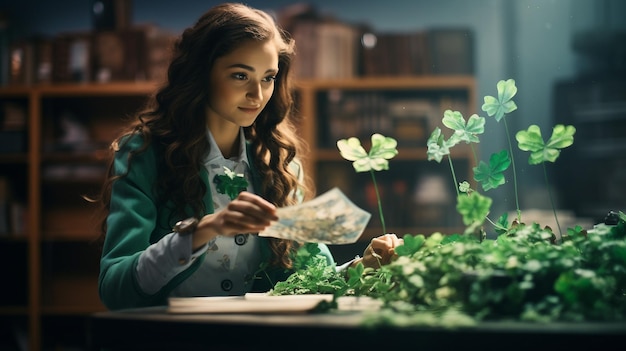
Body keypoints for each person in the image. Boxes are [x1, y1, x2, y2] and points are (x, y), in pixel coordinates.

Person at [93, 2, 403, 311]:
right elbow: (115, 288)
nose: (258, 95)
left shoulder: (277, 161)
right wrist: (203, 232)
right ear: (202, 73)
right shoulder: (145, 152)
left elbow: (306, 280)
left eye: (268, 77)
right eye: (240, 76)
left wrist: (361, 266)